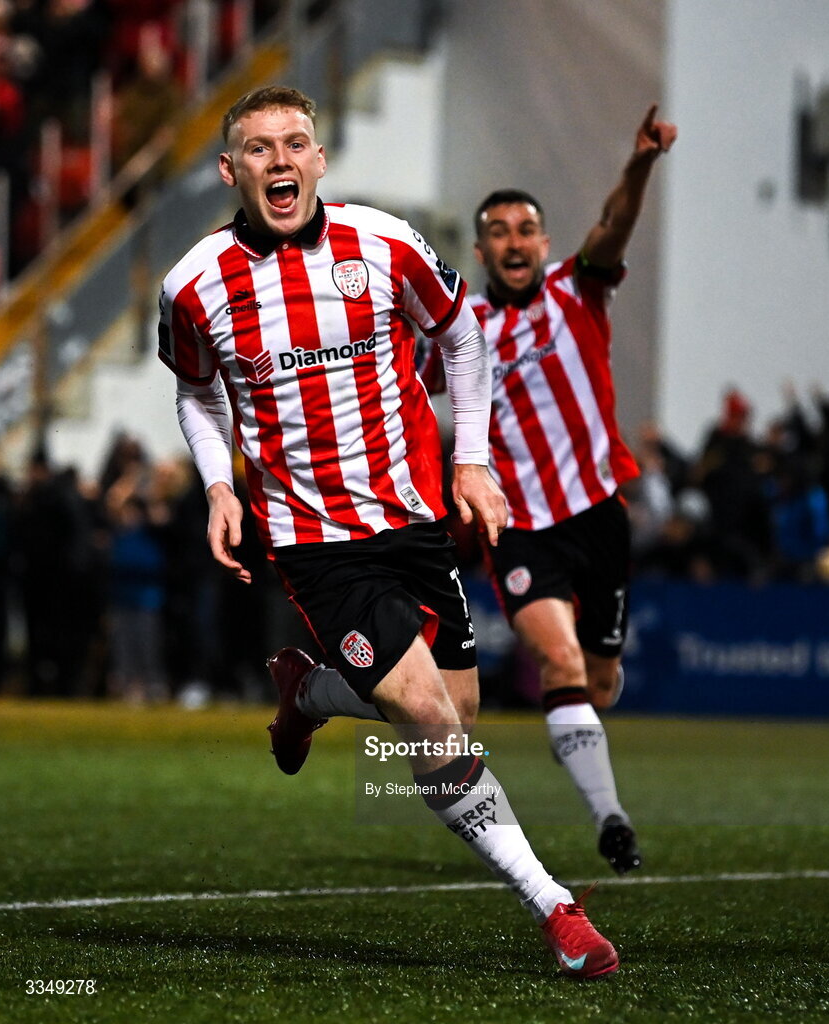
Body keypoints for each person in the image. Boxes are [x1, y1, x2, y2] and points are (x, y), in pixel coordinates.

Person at [158, 84, 619, 979]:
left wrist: (471, 458)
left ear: (320, 158)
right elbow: (195, 391)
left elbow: (461, 341)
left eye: (296, 143)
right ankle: (555, 908)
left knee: (457, 711)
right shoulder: (194, 284)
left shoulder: (387, 243)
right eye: (259, 149)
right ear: (231, 170)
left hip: (410, 519)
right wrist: (220, 485)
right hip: (315, 539)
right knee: (428, 717)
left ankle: (310, 695)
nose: (280, 161)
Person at [466, 105, 677, 874]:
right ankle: (611, 820)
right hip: (521, 528)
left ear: (544, 244)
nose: (514, 242)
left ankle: (581, 741)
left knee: (598, 679)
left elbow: (613, 224)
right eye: (499, 231)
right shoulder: (461, 332)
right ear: (481, 246)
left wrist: (641, 162)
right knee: (557, 666)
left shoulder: (576, 289)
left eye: (525, 230)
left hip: (597, 515)